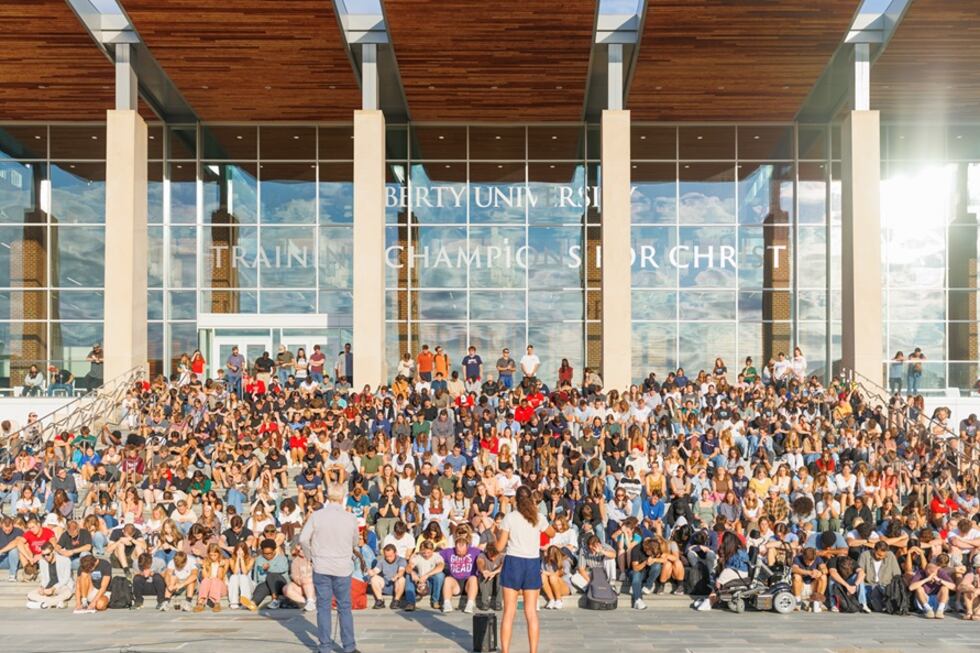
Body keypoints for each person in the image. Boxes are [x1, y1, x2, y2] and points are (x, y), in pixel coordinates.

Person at [300, 484, 360, 653]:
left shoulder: (317, 516)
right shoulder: (350, 517)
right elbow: (355, 541)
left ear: (327, 496)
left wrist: (310, 556)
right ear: (342, 497)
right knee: (344, 607)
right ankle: (349, 646)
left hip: (321, 565)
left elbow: (303, 539)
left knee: (323, 608)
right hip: (342, 566)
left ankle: (325, 646)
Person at [497, 486, 556, 653]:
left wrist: (495, 536)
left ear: (516, 499)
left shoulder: (510, 517)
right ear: (531, 499)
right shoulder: (538, 517)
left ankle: (505, 651)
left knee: (509, 612)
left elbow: (500, 547)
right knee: (531, 612)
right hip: (531, 562)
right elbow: (552, 533)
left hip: (513, 562)